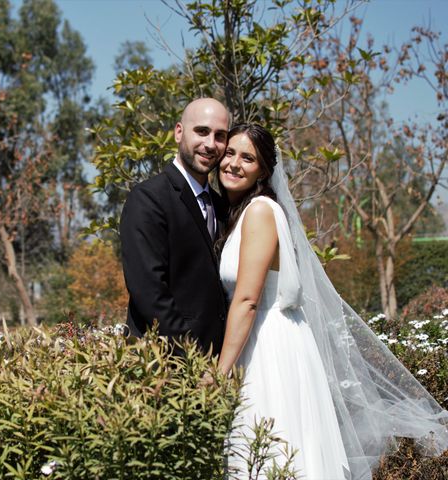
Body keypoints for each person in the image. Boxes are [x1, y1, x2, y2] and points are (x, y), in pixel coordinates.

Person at [216, 123, 448, 479]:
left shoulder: (260, 210)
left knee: (268, 449)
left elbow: (247, 299)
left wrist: (218, 375)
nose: (233, 163)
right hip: (263, 336)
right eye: (229, 153)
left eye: (247, 158)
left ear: (263, 170)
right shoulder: (243, 212)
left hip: (266, 344)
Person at [119, 98, 229, 355]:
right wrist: (192, 360)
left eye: (220, 135)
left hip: (220, 364)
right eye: (201, 131)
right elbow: (150, 292)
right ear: (179, 132)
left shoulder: (223, 206)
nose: (210, 144)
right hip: (166, 364)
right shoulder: (147, 199)